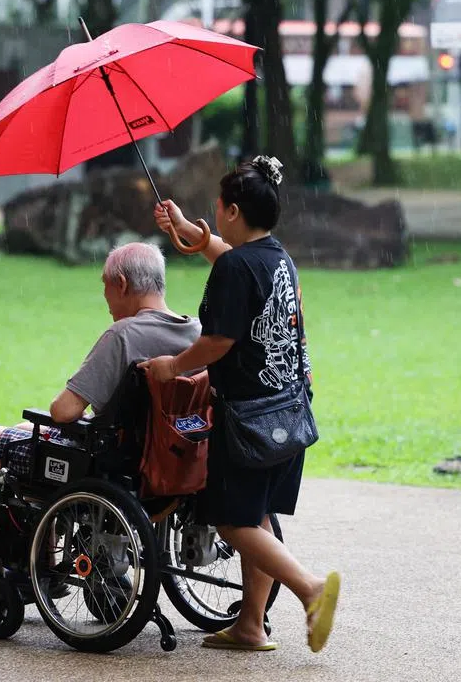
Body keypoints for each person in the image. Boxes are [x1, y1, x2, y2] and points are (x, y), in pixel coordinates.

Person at [141, 155, 341, 654]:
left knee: (232, 520)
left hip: (247, 417)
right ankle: (250, 625)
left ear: (230, 211)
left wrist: (173, 366)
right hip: (288, 413)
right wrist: (190, 230)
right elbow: (237, 263)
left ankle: (310, 590)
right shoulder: (277, 257)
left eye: (218, 208)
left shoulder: (235, 266)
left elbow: (218, 342)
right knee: (260, 516)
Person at [0, 242, 200, 593]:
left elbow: (65, 410)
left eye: (105, 285)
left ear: (121, 283)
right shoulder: (195, 333)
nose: (105, 298)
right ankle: (39, 561)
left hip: (108, 462)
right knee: (19, 432)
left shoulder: (123, 336)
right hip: (165, 462)